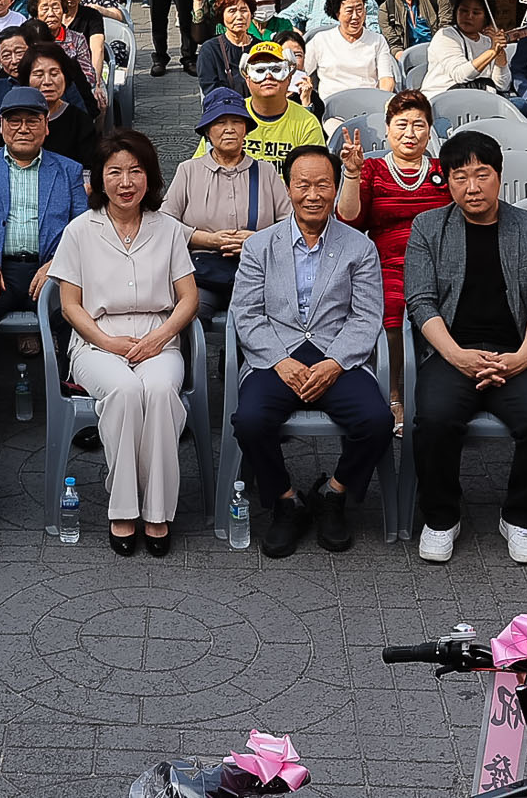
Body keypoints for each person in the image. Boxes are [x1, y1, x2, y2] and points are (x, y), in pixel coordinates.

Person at [402, 130, 527, 565]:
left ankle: (521, 515)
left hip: (514, 353)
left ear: (499, 176)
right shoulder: (429, 227)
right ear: (447, 180)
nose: (472, 187)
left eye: (482, 175)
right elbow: (420, 301)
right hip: (452, 352)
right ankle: (441, 516)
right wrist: (457, 355)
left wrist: (522, 358)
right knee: (433, 420)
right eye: (460, 177)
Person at [231, 145, 394, 557]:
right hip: (277, 355)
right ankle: (286, 501)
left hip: (336, 353)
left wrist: (336, 362)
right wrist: (280, 360)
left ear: (336, 187)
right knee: (249, 421)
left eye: (323, 184)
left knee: (376, 420)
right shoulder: (259, 247)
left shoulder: (359, 247)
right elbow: (246, 315)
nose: (313, 194)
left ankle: (334, 494)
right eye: (303, 184)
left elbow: (366, 316)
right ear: (288, 188)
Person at [49, 129, 198, 555]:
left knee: (161, 390)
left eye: (135, 171)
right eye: (114, 172)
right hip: (96, 340)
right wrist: (107, 341)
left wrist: (161, 336)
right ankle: (123, 509)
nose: (126, 182)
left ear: (150, 177)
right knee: (126, 390)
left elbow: (188, 298)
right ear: (96, 179)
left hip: (158, 334)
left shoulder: (168, 228)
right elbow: (71, 305)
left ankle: (157, 512)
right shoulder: (80, 230)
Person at [335, 89, 446, 426]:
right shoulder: (371, 169)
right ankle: (394, 392)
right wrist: (351, 174)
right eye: (401, 125)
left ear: (429, 130)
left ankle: (443, 391)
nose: (410, 133)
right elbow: (349, 220)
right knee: (391, 310)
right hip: (389, 263)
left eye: (418, 125)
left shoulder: (444, 170)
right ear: (387, 129)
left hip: (441, 264)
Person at [0, 86, 89, 321]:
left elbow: (82, 229)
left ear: (46, 125)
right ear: (1, 126)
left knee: (70, 312)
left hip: (49, 268)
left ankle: (60, 358)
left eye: (32, 121)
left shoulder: (69, 170)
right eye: (14, 121)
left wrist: (58, 265)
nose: (23, 129)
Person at [164, 89, 289, 320]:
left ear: (246, 129)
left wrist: (255, 241)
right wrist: (207, 239)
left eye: (236, 121)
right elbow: (164, 223)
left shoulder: (265, 171)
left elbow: (289, 223)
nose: (229, 128)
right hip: (204, 272)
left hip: (257, 272)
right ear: (207, 132)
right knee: (189, 314)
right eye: (220, 122)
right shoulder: (188, 170)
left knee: (263, 319)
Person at [235, 40, 325, 167]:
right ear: (247, 79)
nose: (268, 76)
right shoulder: (230, 116)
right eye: (259, 70)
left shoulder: (307, 123)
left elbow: (313, 173)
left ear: (289, 78)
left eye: (276, 69)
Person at [303, 0, 398, 103]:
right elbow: (303, 70)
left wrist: (381, 102)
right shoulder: (321, 40)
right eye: (349, 11)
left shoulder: (377, 40)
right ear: (337, 13)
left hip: (368, 104)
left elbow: (386, 79)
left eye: (359, 9)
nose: (355, 17)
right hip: (332, 107)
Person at [423, 0, 512, 98]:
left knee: (520, 104)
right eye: (464, 11)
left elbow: (502, 86)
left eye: (476, 13)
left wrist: (500, 53)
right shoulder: (446, 36)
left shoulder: (488, 41)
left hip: (479, 98)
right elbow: (460, 75)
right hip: (442, 98)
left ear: (486, 18)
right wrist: (492, 52)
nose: (469, 16)